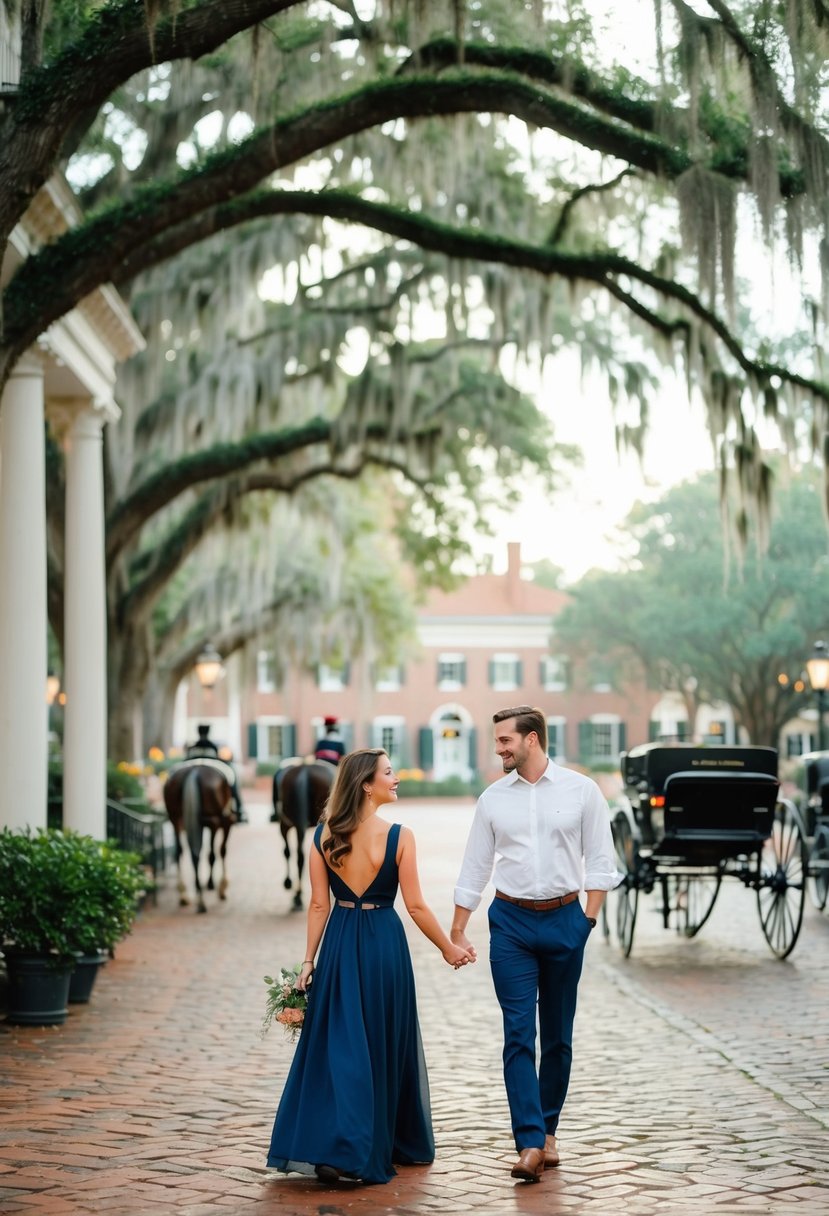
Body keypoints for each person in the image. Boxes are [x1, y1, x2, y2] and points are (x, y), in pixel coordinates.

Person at [266, 747, 473, 1185]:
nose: (396, 779)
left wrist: (309, 961)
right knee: (380, 1044)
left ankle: (336, 1143)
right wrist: (447, 948)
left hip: (340, 943)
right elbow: (415, 906)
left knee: (338, 1046)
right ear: (366, 784)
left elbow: (319, 904)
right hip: (383, 945)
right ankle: (362, 1149)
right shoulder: (400, 836)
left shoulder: (322, 834)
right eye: (389, 772)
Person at [450, 706, 620, 1183]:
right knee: (518, 1033)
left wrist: (586, 922)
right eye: (497, 740)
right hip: (511, 924)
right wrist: (459, 927)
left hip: (566, 920)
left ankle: (548, 1132)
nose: (499, 748)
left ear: (532, 739)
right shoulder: (492, 799)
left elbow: (601, 862)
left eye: (505, 740)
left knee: (559, 1038)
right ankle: (528, 1141)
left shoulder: (582, 791)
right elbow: (475, 868)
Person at [185, 723, 248, 824]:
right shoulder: (213, 747)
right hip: (214, 763)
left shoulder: (193, 748)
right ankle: (237, 806)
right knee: (231, 777)